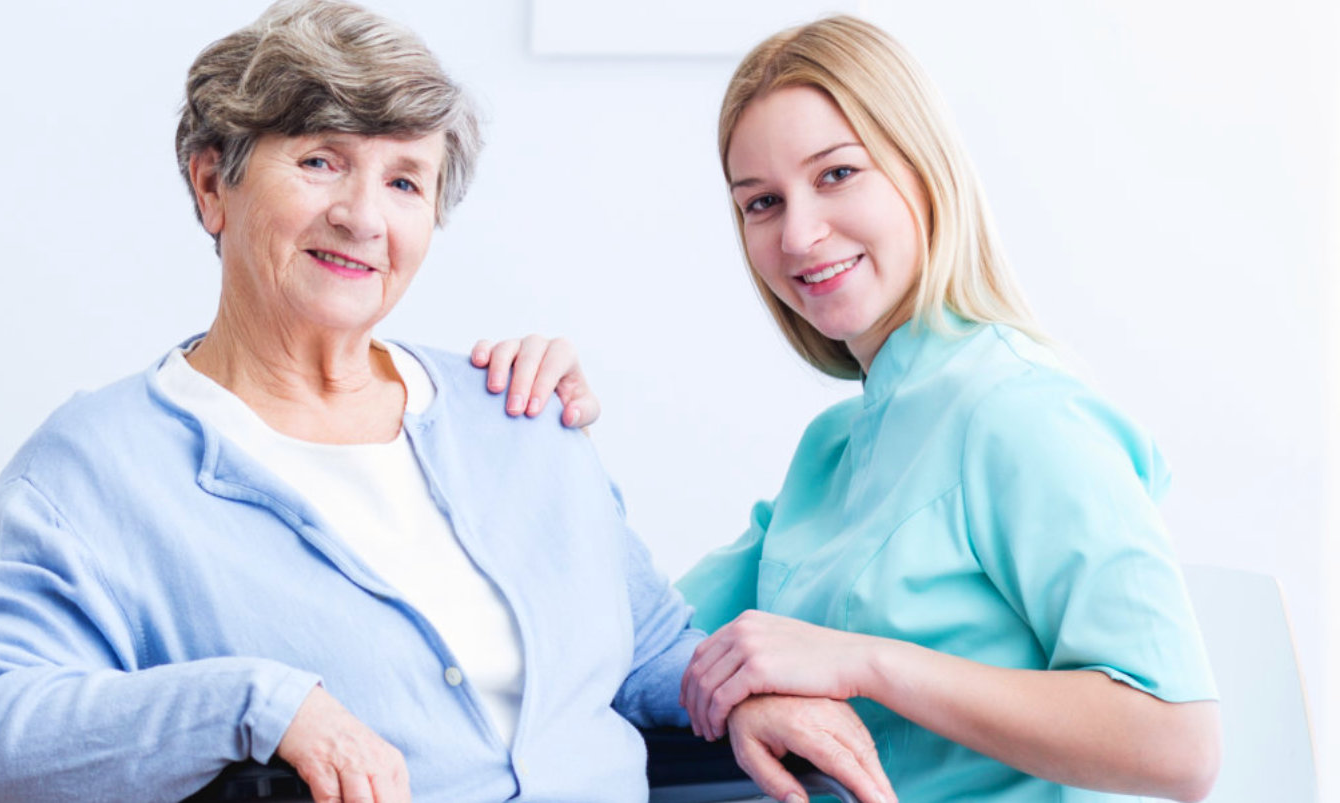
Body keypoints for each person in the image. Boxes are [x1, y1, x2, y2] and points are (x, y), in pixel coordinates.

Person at [0, 2, 893, 802]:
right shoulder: (93, 470)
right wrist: (257, 700)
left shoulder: (516, 411)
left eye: (405, 180)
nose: (363, 215)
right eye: (319, 161)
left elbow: (646, 649)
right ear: (213, 184)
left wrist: (733, 699)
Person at [476, 14, 1221, 803]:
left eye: (836, 174)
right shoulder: (833, 449)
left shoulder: (1022, 411)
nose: (798, 234)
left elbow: (1177, 742)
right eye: (761, 202)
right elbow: (639, 649)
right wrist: (539, 442)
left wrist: (862, 660)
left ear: (924, 167)